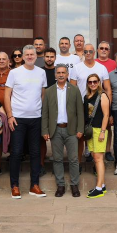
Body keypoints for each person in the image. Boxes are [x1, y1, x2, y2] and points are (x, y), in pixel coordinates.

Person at [5, 45, 48, 199]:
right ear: (23, 56)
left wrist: (40, 112)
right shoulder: (14, 73)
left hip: (36, 118)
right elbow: (7, 95)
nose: (30, 56)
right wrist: (10, 115)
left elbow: (43, 94)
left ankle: (34, 185)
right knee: (16, 152)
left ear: (36, 56)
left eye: (32, 54)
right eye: (27, 54)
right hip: (18, 119)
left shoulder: (41, 72)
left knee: (36, 153)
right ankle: (15, 186)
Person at [42, 65, 84, 197]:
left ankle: (74, 185)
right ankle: (60, 185)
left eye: (63, 73)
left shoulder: (74, 90)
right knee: (57, 159)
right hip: (55, 130)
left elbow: (80, 112)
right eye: (58, 73)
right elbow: (45, 113)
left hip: (71, 130)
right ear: (55, 75)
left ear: (67, 75)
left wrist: (80, 129)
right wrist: (45, 130)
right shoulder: (49, 91)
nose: (60, 75)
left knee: (73, 159)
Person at [70, 44, 111, 168]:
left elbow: (108, 89)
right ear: (83, 53)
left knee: (96, 136)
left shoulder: (102, 68)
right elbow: (72, 90)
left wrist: (109, 109)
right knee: (80, 135)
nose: (88, 53)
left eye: (90, 51)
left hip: (98, 106)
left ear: (94, 53)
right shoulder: (76, 68)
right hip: (81, 106)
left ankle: (96, 166)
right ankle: (78, 164)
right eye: (85, 51)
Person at [82, 73, 110, 197]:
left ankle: (98, 188)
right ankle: (102, 185)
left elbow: (106, 115)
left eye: (95, 81)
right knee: (95, 157)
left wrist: (103, 132)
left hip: (99, 130)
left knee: (98, 159)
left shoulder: (102, 95)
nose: (93, 84)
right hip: (90, 131)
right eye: (90, 82)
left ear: (99, 82)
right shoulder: (87, 96)